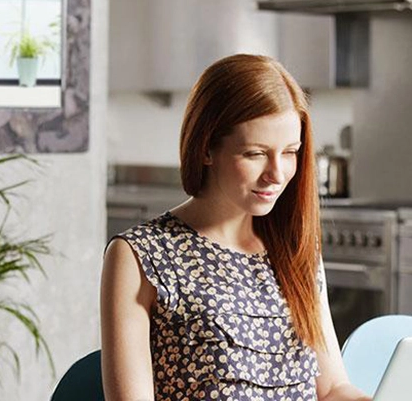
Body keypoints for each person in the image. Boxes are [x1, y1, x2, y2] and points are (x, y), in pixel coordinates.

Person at [100, 54, 372, 401]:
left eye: (290, 152)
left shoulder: (293, 248)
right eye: (255, 153)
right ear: (206, 149)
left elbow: (332, 388)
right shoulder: (139, 256)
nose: (277, 173)